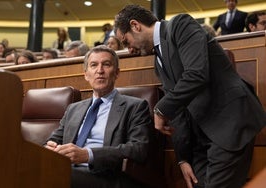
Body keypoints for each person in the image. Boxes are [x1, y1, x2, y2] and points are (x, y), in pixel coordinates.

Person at [114, 5, 266, 188]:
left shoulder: (180, 24)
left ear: (135, 25)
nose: (128, 50)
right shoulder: (158, 62)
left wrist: (160, 109)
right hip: (201, 137)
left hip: (229, 123)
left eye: (125, 41)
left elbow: (196, 74)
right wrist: (182, 158)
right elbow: (178, 112)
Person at [45, 45, 152, 188]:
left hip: (108, 176)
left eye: (106, 65)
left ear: (117, 73)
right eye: (94, 65)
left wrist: (88, 155)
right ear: (86, 74)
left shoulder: (135, 106)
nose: (100, 71)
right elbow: (53, 140)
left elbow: (138, 149)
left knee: (55, 175)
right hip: (69, 170)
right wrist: (49, 148)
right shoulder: (73, 109)